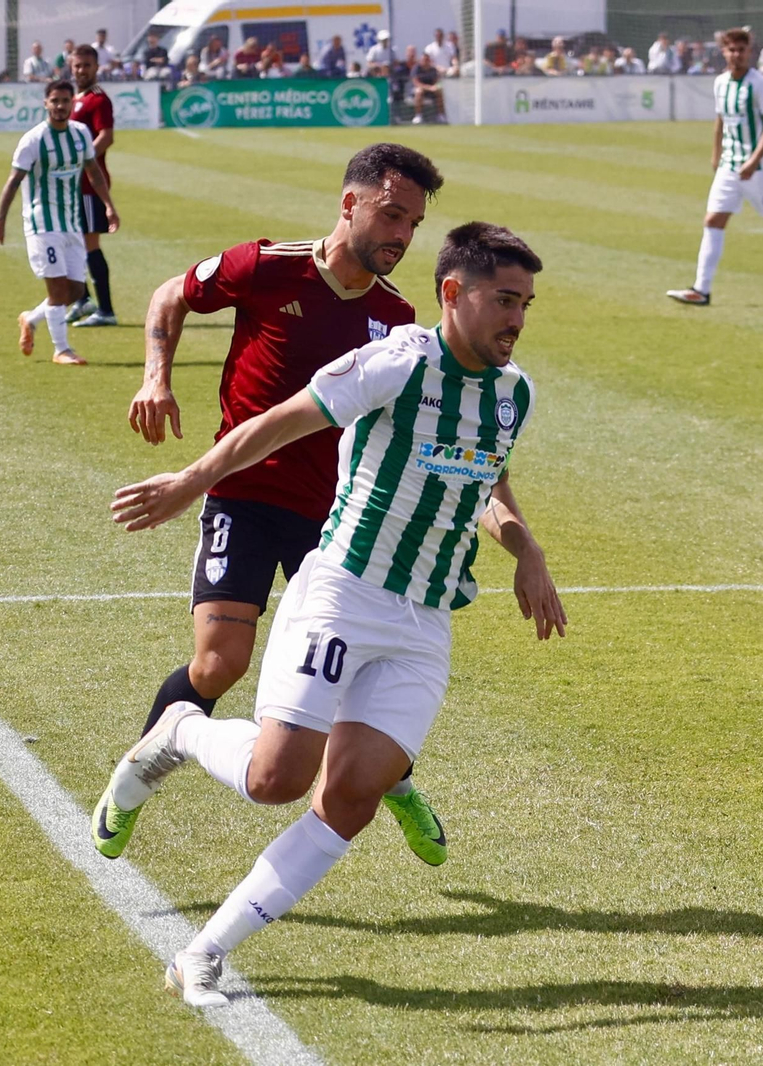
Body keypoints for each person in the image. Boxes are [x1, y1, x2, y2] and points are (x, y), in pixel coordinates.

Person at [98, 220, 561, 1007]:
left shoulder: (514, 394)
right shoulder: (393, 362)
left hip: (423, 628)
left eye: (526, 303)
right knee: (276, 780)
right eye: (504, 300)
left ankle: (204, 953)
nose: (517, 318)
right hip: (343, 595)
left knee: (350, 799)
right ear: (454, 294)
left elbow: (482, 477)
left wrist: (529, 552)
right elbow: (276, 422)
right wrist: (189, 481)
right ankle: (178, 729)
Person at [109, 144, 448, 871]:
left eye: (414, 223)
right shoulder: (267, 266)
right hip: (243, 494)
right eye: (392, 214)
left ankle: (395, 781)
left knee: (360, 672)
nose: (402, 235)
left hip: (339, 518)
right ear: (349, 203)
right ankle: (134, 776)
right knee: (218, 661)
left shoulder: (397, 315)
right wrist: (155, 379)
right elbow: (172, 293)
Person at [666, 28, 763, 309]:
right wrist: (716, 154)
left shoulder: (758, 83)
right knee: (712, 221)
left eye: (741, 50)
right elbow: (720, 120)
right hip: (729, 166)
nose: (736, 55)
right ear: (723, 52)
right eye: (731, 50)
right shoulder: (720, 83)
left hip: (760, 169)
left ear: (750, 52)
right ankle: (701, 289)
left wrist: (754, 161)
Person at [0, 79, 119, 367]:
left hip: (72, 222)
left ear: (72, 103)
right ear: (45, 103)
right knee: (57, 290)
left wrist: (108, 206)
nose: (60, 106)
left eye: (65, 101)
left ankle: (31, 318)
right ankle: (62, 349)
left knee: (74, 291)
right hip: (42, 223)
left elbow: (93, 172)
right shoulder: (33, 140)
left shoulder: (81, 133)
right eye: (54, 101)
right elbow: (13, 182)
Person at [62, 45, 120, 330]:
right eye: (77, 65)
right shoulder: (73, 99)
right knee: (68, 242)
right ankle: (83, 300)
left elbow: (106, 137)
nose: (81, 70)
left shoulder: (99, 100)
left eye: (86, 65)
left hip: (88, 185)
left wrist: (81, 161)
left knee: (89, 244)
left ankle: (106, 309)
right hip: (72, 185)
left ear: (96, 67)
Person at [412, 52, 445, 122]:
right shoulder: (416, 68)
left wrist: (435, 86)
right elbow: (416, 83)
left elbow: (437, 81)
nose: (425, 61)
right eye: (424, 60)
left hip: (431, 90)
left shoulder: (433, 69)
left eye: (427, 60)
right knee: (418, 92)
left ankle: (441, 115)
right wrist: (428, 87)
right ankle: (418, 115)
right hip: (422, 89)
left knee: (439, 92)